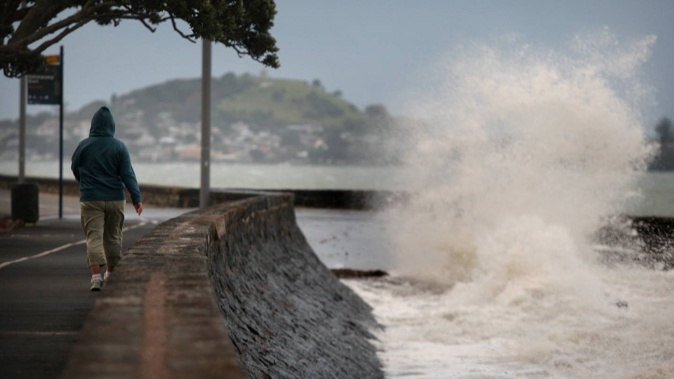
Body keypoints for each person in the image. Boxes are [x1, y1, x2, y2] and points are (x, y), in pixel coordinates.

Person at [71, 106, 143, 291]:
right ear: (112, 126)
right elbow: (128, 174)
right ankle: (111, 273)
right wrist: (136, 198)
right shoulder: (119, 146)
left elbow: (74, 167)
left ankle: (96, 277)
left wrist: (84, 183)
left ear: (93, 125)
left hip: (90, 199)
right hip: (115, 199)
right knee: (113, 237)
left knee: (94, 237)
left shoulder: (83, 145)